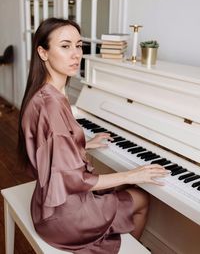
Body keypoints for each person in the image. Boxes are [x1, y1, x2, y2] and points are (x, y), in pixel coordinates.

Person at [18, 17, 169, 254]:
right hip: (64, 219)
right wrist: (133, 173)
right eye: (65, 46)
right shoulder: (52, 105)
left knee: (120, 184)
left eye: (78, 45)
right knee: (141, 197)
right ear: (43, 52)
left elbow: (52, 150)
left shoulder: (43, 94)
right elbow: (77, 181)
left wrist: (84, 143)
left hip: (45, 206)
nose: (76, 54)